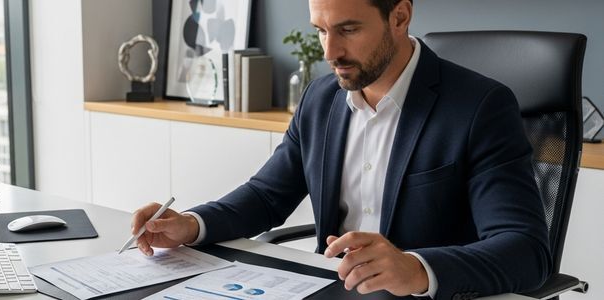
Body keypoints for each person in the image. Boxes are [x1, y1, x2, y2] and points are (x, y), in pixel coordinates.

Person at [130, 0, 551, 299]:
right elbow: (267, 195)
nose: (330, 52)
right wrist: (192, 224)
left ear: (400, 16)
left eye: (348, 29)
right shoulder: (321, 99)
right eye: (321, 30)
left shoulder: (480, 107)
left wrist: (418, 268)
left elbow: (526, 250)